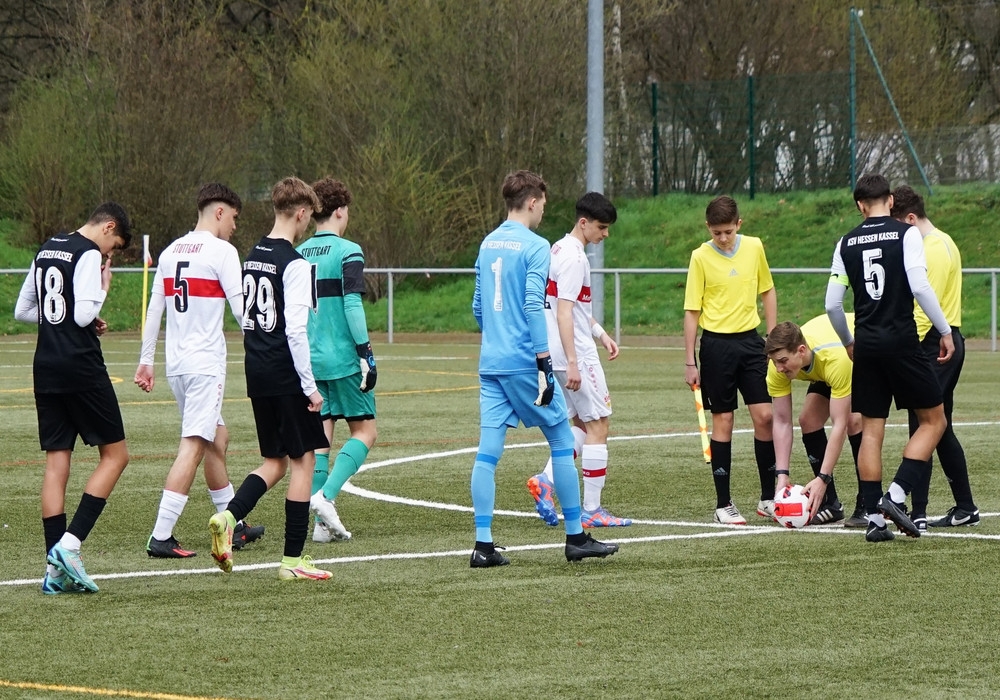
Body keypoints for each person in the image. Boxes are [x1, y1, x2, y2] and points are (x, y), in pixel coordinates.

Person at [469, 170, 619, 567]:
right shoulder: (535, 246)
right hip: (524, 361)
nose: (543, 213)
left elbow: (478, 306)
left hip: (491, 362)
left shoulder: (487, 242)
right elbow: (535, 306)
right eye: (543, 206)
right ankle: (576, 537)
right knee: (562, 440)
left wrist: (496, 337)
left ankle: (483, 546)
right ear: (533, 202)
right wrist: (541, 361)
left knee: (487, 453)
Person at [208, 176, 332, 580]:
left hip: (257, 368)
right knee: (304, 461)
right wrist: (310, 387)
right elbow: (295, 331)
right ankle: (293, 561)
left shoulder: (253, 254)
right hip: (284, 371)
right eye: (308, 218)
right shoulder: (293, 263)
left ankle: (228, 518)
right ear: (301, 213)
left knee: (274, 462)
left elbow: (247, 317)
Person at [135, 183, 264, 558]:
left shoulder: (170, 251)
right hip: (205, 366)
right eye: (234, 218)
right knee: (193, 446)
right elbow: (242, 310)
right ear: (219, 212)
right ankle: (161, 535)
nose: (235, 227)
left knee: (216, 439)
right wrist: (266, 349)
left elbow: (154, 311)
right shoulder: (223, 252)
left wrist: (147, 360)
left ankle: (234, 524)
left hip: (177, 366)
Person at [825, 173, 954, 543]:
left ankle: (874, 522)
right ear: (891, 201)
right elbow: (920, 285)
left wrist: (848, 341)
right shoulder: (906, 233)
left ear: (860, 205)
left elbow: (832, 304)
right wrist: (945, 330)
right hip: (902, 342)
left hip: (866, 346)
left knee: (871, 429)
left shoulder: (845, 242)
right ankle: (896, 496)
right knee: (934, 421)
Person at [14, 202, 132, 594]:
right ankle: (70, 544)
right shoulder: (88, 253)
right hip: (80, 366)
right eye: (114, 247)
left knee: (56, 462)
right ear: (108, 227)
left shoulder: (47, 247)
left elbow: (24, 310)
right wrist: (102, 288)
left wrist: (65, 315)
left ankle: (54, 571)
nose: (109, 255)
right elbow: (81, 317)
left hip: (45, 366)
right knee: (116, 456)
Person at [527, 191, 630, 528]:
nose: (605, 234)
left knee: (581, 426)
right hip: (575, 356)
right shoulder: (574, 259)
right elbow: (565, 312)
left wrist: (601, 334)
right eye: (601, 227)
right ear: (583, 223)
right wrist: (574, 361)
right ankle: (592, 510)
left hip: (557, 354)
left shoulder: (557, 249)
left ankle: (545, 480)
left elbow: (574, 307)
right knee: (599, 424)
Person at [683, 195, 777, 525]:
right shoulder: (700, 257)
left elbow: (768, 290)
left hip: (752, 344)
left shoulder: (754, 247)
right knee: (724, 420)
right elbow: (692, 311)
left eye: (728, 231)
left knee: (765, 416)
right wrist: (690, 361)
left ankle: (768, 498)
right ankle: (724, 504)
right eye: (716, 233)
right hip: (716, 348)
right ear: (708, 228)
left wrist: (772, 337)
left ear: (739, 224)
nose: (723, 238)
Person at [890, 185, 979, 529]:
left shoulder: (934, 248)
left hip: (935, 343)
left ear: (911, 219)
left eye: (899, 227)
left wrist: (905, 346)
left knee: (924, 425)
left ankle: (918, 513)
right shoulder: (940, 242)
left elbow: (927, 305)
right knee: (940, 427)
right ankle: (965, 507)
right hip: (940, 341)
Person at [297, 177, 377, 542]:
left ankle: (319, 527)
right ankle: (325, 497)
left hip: (311, 361)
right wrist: (366, 353)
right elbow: (352, 304)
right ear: (341, 211)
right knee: (365, 431)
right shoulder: (348, 250)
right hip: (343, 359)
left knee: (321, 438)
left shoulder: (299, 252)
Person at [764, 315, 865, 525]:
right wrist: (782, 475)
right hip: (826, 367)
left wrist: (823, 478)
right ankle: (832, 505)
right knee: (809, 420)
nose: (779, 368)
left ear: (801, 351)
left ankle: (867, 502)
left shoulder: (836, 359)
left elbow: (839, 425)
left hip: (856, 355)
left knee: (854, 421)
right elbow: (782, 421)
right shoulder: (777, 368)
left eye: (783, 361)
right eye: (775, 362)